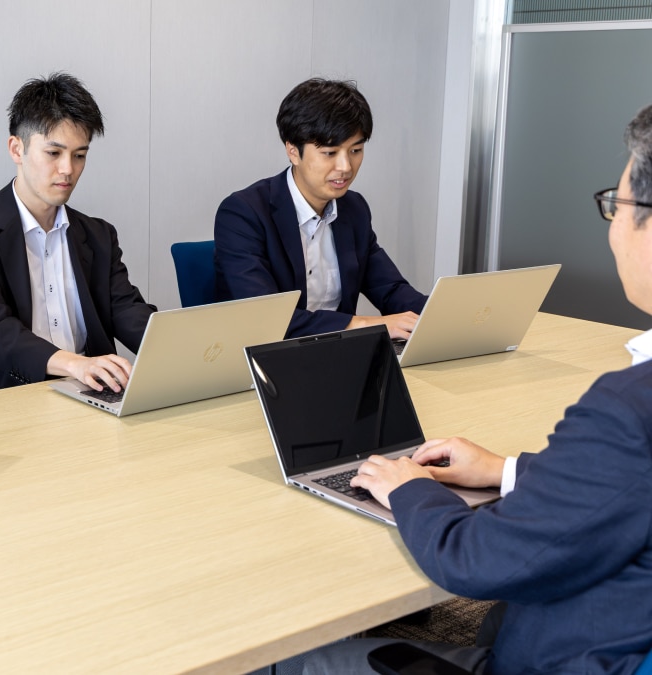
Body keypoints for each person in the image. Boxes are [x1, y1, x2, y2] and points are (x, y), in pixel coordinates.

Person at [301, 104, 652, 674]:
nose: (612, 223)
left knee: (294, 659)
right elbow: (624, 483)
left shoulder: (628, 409)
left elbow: (475, 562)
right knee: (490, 620)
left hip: (573, 656)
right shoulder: (247, 210)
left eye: (618, 203)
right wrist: (505, 470)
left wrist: (410, 486)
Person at [0, 73, 155, 399]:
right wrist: (76, 365)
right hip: (1, 398)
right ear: (17, 148)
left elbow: (126, 310)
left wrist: (183, 351)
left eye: (79, 155)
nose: (68, 169)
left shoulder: (98, 235)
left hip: (87, 394)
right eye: (54, 153)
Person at [214, 78, 427, 339]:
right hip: (267, 362)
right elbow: (267, 320)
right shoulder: (244, 214)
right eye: (330, 153)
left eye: (356, 150)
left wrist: (441, 316)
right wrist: (367, 324)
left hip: (340, 357)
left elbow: (391, 290)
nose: (346, 166)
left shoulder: (354, 209)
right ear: (293, 151)